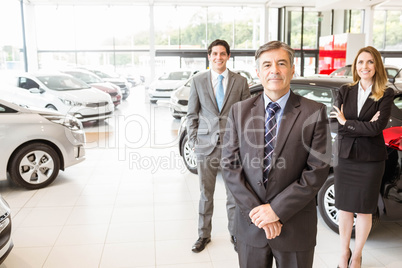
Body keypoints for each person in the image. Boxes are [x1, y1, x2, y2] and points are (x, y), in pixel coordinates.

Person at [221, 40, 331, 268]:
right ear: (258, 72)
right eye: (267, 64)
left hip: (295, 227)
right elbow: (230, 166)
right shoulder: (239, 111)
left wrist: (277, 211)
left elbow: (317, 171)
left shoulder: (314, 112)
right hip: (252, 227)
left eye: (281, 63)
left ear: (292, 69)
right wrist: (259, 213)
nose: (274, 70)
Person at [330, 46, 394, 268]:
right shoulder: (344, 91)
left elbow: (377, 129)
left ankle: (356, 255)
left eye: (369, 62)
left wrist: (348, 122)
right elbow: (338, 127)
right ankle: (343, 253)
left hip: (370, 161)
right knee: (344, 208)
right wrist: (362, 125)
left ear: (377, 65)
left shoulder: (386, 93)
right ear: (355, 66)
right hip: (346, 158)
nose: (364, 66)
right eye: (360, 62)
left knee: (365, 209)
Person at [187, 39, 250, 253]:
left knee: (234, 194)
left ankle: (235, 234)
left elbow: (246, 115)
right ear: (209, 56)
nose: (218, 57)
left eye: (222, 54)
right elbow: (191, 114)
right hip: (206, 146)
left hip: (233, 147)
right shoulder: (198, 80)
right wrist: (194, 140)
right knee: (206, 194)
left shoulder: (240, 82)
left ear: (228, 56)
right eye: (214, 54)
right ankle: (203, 235)